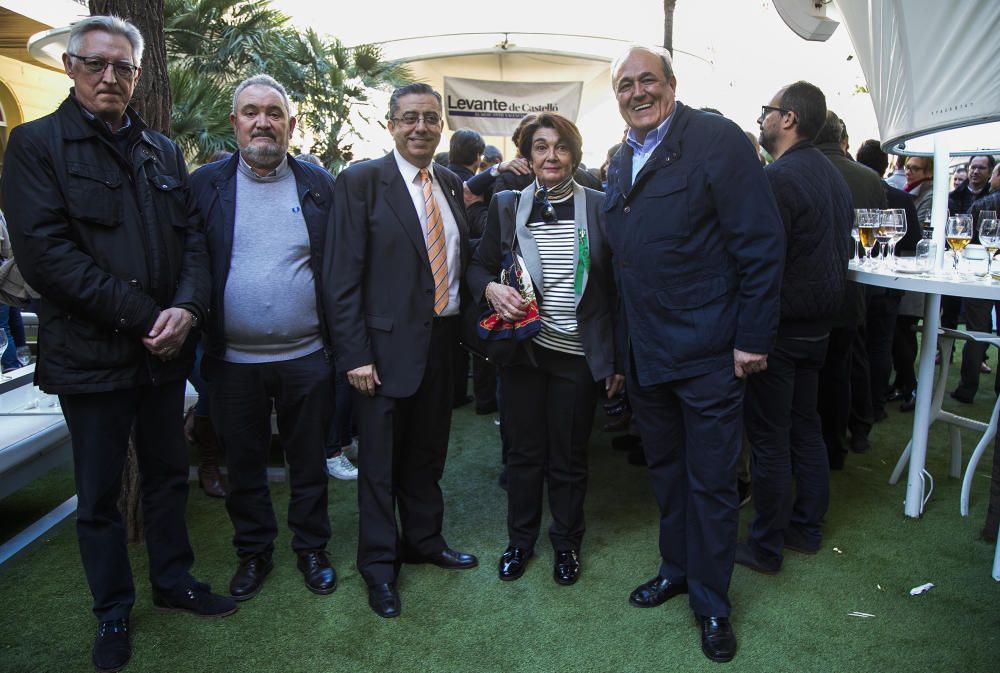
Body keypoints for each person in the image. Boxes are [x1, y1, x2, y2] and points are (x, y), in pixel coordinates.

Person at [0, 15, 236, 672]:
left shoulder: (162, 150)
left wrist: (187, 308)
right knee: (99, 493)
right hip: (92, 356)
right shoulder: (34, 144)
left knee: (166, 477)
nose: (111, 77)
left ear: (137, 74)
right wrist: (146, 316)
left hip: (161, 354)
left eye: (123, 67)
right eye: (97, 64)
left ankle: (174, 581)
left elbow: (193, 242)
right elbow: (47, 259)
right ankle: (111, 609)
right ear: (71, 68)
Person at [604, 46, 784, 663]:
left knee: (710, 484)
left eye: (647, 80)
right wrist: (622, 353)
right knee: (667, 475)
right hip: (648, 354)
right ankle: (676, 569)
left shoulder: (717, 139)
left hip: (708, 352)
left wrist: (753, 338)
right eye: (625, 85)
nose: (636, 92)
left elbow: (761, 244)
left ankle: (711, 604)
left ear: (672, 85)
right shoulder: (621, 157)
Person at [329, 82, 478, 619]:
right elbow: (341, 276)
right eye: (409, 117)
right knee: (379, 466)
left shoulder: (450, 181)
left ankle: (424, 541)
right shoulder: (362, 181)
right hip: (381, 352)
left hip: (442, 345)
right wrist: (355, 354)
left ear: (441, 125)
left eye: (430, 118)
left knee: (427, 455)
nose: (421, 127)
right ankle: (378, 565)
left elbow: (458, 262)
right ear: (390, 124)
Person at [189, 74, 338, 601]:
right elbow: (192, 261)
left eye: (274, 112)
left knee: (308, 461)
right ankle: (253, 553)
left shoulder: (320, 185)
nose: (262, 121)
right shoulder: (204, 186)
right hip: (232, 360)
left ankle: (312, 549)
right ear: (234, 122)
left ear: (291, 125)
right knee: (244, 463)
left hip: (307, 356)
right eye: (251, 112)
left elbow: (337, 269)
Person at [467, 112, 622, 585]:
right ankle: (519, 542)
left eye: (560, 147)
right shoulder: (508, 205)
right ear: (527, 154)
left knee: (570, 457)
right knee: (522, 454)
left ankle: (567, 545)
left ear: (574, 154)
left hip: (576, 353)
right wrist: (492, 290)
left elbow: (617, 289)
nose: (550, 155)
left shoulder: (597, 205)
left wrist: (614, 359)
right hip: (523, 352)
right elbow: (478, 268)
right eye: (540, 146)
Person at [736, 83, 852, 574]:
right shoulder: (832, 174)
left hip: (782, 330)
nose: (761, 119)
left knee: (770, 438)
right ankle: (805, 528)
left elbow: (765, 263)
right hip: (819, 327)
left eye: (767, 112)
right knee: (805, 429)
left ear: (788, 119)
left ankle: (765, 544)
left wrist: (752, 335)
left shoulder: (780, 177)